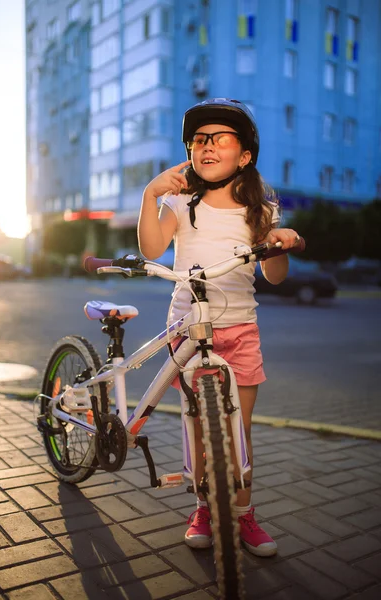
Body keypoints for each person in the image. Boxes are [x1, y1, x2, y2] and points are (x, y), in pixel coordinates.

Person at [138, 98, 299, 557]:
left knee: (238, 429)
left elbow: (276, 275)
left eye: (220, 139)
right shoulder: (180, 200)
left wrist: (278, 245)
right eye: (198, 139)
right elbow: (151, 248)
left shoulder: (260, 207)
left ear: (244, 155)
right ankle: (204, 507)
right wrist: (151, 193)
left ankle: (244, 513)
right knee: (200, 426)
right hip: (187, 330)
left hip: (240, 328)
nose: (206, 146)